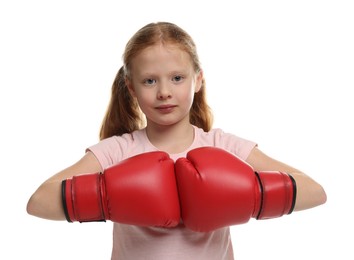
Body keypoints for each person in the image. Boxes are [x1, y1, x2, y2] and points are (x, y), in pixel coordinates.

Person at [26, 22, 327, 259]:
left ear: (198, 79)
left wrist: (253, 194)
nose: (164, 92)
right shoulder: (118, 150)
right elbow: (38, 202)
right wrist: (106, 196)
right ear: (130, 87)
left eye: (177, 78)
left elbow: (315, 192)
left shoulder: (223, 146)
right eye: (149, 80)